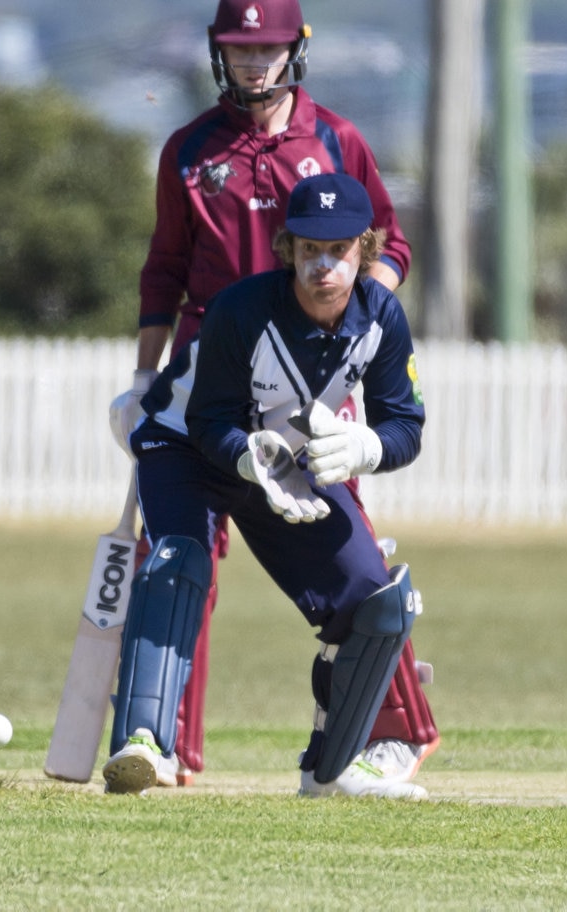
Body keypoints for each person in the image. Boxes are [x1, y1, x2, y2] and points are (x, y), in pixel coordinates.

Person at [117, 0, 437, 786]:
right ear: (219, 53)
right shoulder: (190, 150)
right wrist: (142, 375)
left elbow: (387, 244)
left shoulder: (336, 140)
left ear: (295, 50)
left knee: (354, 565)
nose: (253, 63)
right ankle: (167, 749)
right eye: (239, 48)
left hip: (313, 387)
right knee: (181, 560)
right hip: (208, 383)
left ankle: (394, 734)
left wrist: (359, 330)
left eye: (266, 49)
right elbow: (164, 267)